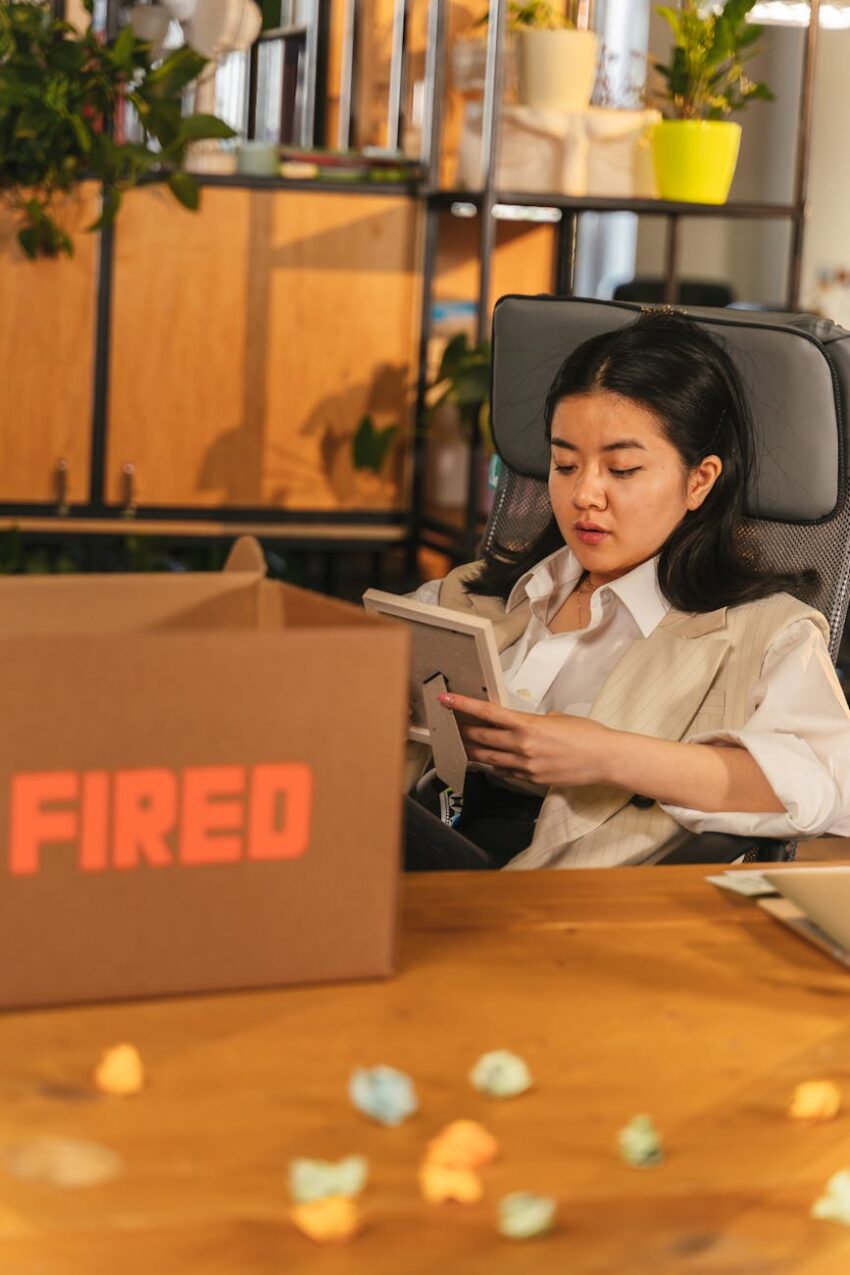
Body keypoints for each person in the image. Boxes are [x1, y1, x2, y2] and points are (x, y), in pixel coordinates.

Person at [403, 310, 850, 870]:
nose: (585, 494)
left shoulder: (765, 633)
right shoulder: (475, 594)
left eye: (622, 470)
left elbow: (824, 786)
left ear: (699, 480)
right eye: (565, 464)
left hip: (552, 904)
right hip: (427, 838)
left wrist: (607, 756)